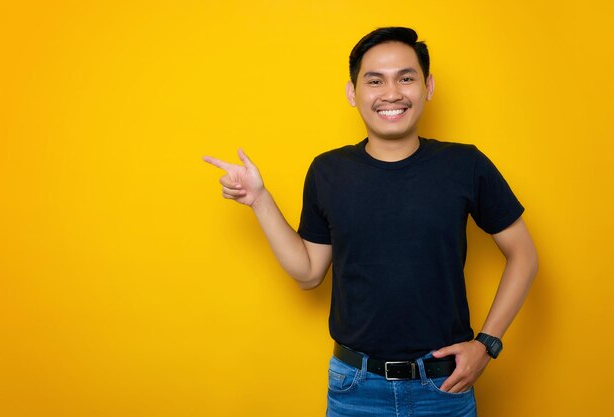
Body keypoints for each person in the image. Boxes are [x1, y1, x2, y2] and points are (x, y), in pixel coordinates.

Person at [204, 26, 538, 417]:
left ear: (427, 86)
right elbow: (309, 272)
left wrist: (486, 344)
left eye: (406, 78)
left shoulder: (465, 165)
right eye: (375, 80)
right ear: (353, 93)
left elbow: (524, 255)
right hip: (355, 388)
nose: (391, 93)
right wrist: (259, 200)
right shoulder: (328, 171)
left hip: (444, 386)